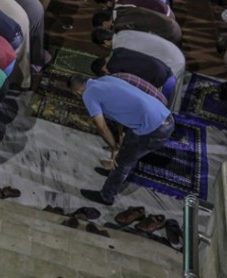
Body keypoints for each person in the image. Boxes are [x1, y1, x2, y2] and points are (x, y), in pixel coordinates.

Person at [69, 74, 175, 205]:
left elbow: (101, 126)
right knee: (126, 148)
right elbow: (120, 113)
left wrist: (114, 148)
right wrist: (120, 137)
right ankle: (114, 172)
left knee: (124, 162)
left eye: (75, 94)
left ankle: (106, 196)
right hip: (165, 116)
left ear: (77, 91)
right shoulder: (106, 79)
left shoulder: (88, 94)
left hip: (154, 129)